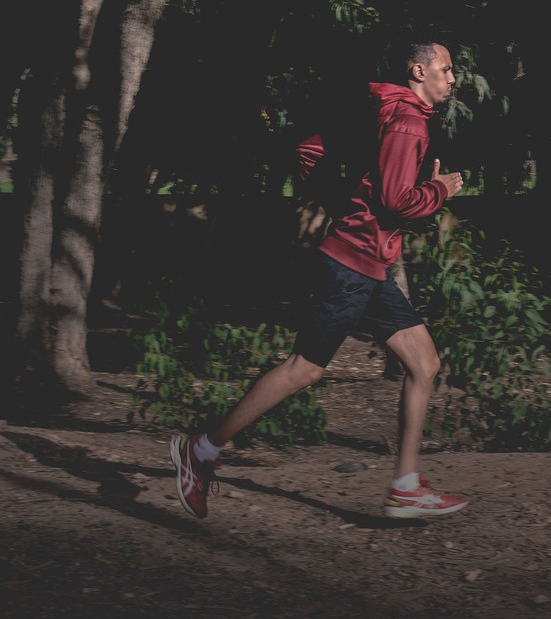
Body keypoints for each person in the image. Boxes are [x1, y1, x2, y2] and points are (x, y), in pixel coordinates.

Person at [170, 40, 467, 520]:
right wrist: (439, 189)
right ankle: (200, 450)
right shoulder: (408, 120)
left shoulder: (382, 108)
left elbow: (310, 148)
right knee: (304, 369)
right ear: (419, 70)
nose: (453, 79)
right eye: (447, 69)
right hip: (354, 264)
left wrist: (346, 204)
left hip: (367, 264)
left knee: (425, 363)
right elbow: (395, 201)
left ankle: (405, 486)